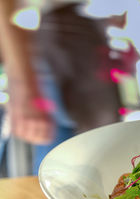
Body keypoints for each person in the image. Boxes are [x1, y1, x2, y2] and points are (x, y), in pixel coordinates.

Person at [0, 1, 123, 175]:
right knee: (75, 165)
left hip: (82, 34)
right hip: (62, 36)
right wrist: (23, 88)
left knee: (95, 160)